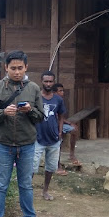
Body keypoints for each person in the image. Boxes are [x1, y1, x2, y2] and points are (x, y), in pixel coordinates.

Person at [0, 50, 47, 217]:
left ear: (26, 67)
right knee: (1, 184)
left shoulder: (34, 88)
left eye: (20, 68)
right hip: (4, 144)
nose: (17, 72)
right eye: (13, 68)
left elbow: (40, 117)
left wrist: (29, 111)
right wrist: (4, 113)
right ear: (6, 68)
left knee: (26, 185)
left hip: (27, 144)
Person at [33, 71, 66, 201]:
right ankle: (27, 191)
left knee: (51, 167)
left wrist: (60, 131)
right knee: (32, 167)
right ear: (41, 81)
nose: (48, 84)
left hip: (53, 139)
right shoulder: (36, 98)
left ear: (53, 82)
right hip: (37, 138)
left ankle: (45, 190)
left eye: (50, 81)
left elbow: (61, 116)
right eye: (46, 81)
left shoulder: (58, 99)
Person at [53, 83, 82, 173]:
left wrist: (69, 123)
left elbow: (61, 117)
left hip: (60, 123)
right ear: (54, 92)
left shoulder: (60, 100)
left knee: (74, 129)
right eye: (60, 91)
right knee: (58, 142)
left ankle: (71, 154)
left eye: (63, 90)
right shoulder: (52, 100)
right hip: (52, 125)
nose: (63, 92)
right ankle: (57, 164)